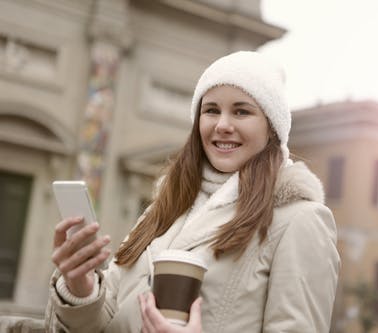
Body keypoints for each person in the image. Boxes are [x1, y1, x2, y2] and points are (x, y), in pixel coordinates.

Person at [45, 51, 340, 332]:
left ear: (272, 128)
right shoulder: (165, 208)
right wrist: (80, 286)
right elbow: (105, 321)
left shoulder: (300, 221)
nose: (223, 125)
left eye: (241, 111)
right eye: (211, 110)